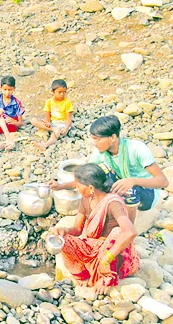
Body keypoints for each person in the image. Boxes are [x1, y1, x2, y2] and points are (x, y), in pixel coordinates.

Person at [49, 115, 169, 221]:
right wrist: (60, 186)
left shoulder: (137, 149)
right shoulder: (101, 152)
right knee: (97, 173)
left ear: (112, 137)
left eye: (98, 139)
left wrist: (133, 181)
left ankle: (127, 228)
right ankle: (101, 213)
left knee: (129, 190)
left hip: (146, 193)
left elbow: (163, 181)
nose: (94, 143)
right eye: (93, 139)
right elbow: (85, 178)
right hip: (122, 184)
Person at [49, 163, 139, 295]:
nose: (76, 188)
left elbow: (130, 232)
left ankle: (106, 277)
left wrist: (106, 258)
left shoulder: (113, 203)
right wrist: (65, 230)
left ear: (90, 187)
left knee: (118, 232)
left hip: (111, 252)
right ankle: (84, 275)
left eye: (78, 185)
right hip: (92, 247)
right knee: (63, 239)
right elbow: (77, 229)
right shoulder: (86, 200)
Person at [31, 79, 74, 151]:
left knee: (55, 134)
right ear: (52, 92)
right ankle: (54, 129)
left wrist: (66, 128)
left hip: (62, 124)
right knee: (33, 120)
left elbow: (69, 119)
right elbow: (47, 115)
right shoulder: (49, 102)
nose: (62, 94)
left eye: (64, 92)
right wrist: (47, 122)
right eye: (59, 92)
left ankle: (45, 145)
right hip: (52, 123)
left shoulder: (67, 102)